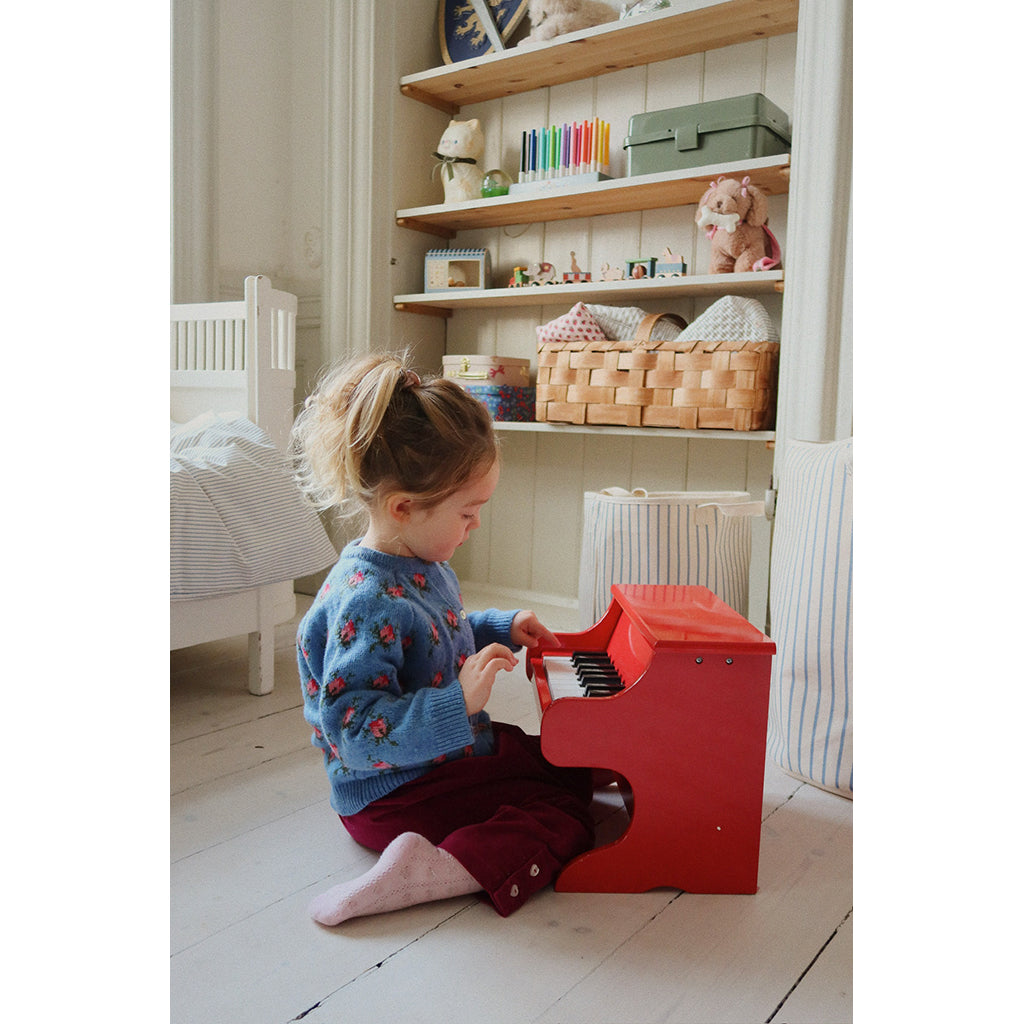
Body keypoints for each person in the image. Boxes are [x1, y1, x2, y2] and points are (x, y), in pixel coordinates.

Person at [292, 352, 595, 925]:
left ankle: (445, 848)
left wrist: (499, 626)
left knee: (565, 766)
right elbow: (354, 732)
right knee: (565, 813)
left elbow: (433, 640)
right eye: (468, 512)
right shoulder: (365, 600)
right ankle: (434, 869)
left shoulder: (420, 563)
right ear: (404, 508)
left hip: (433, 765)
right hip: (391, 796)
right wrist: (458, 703)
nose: (476, 525)